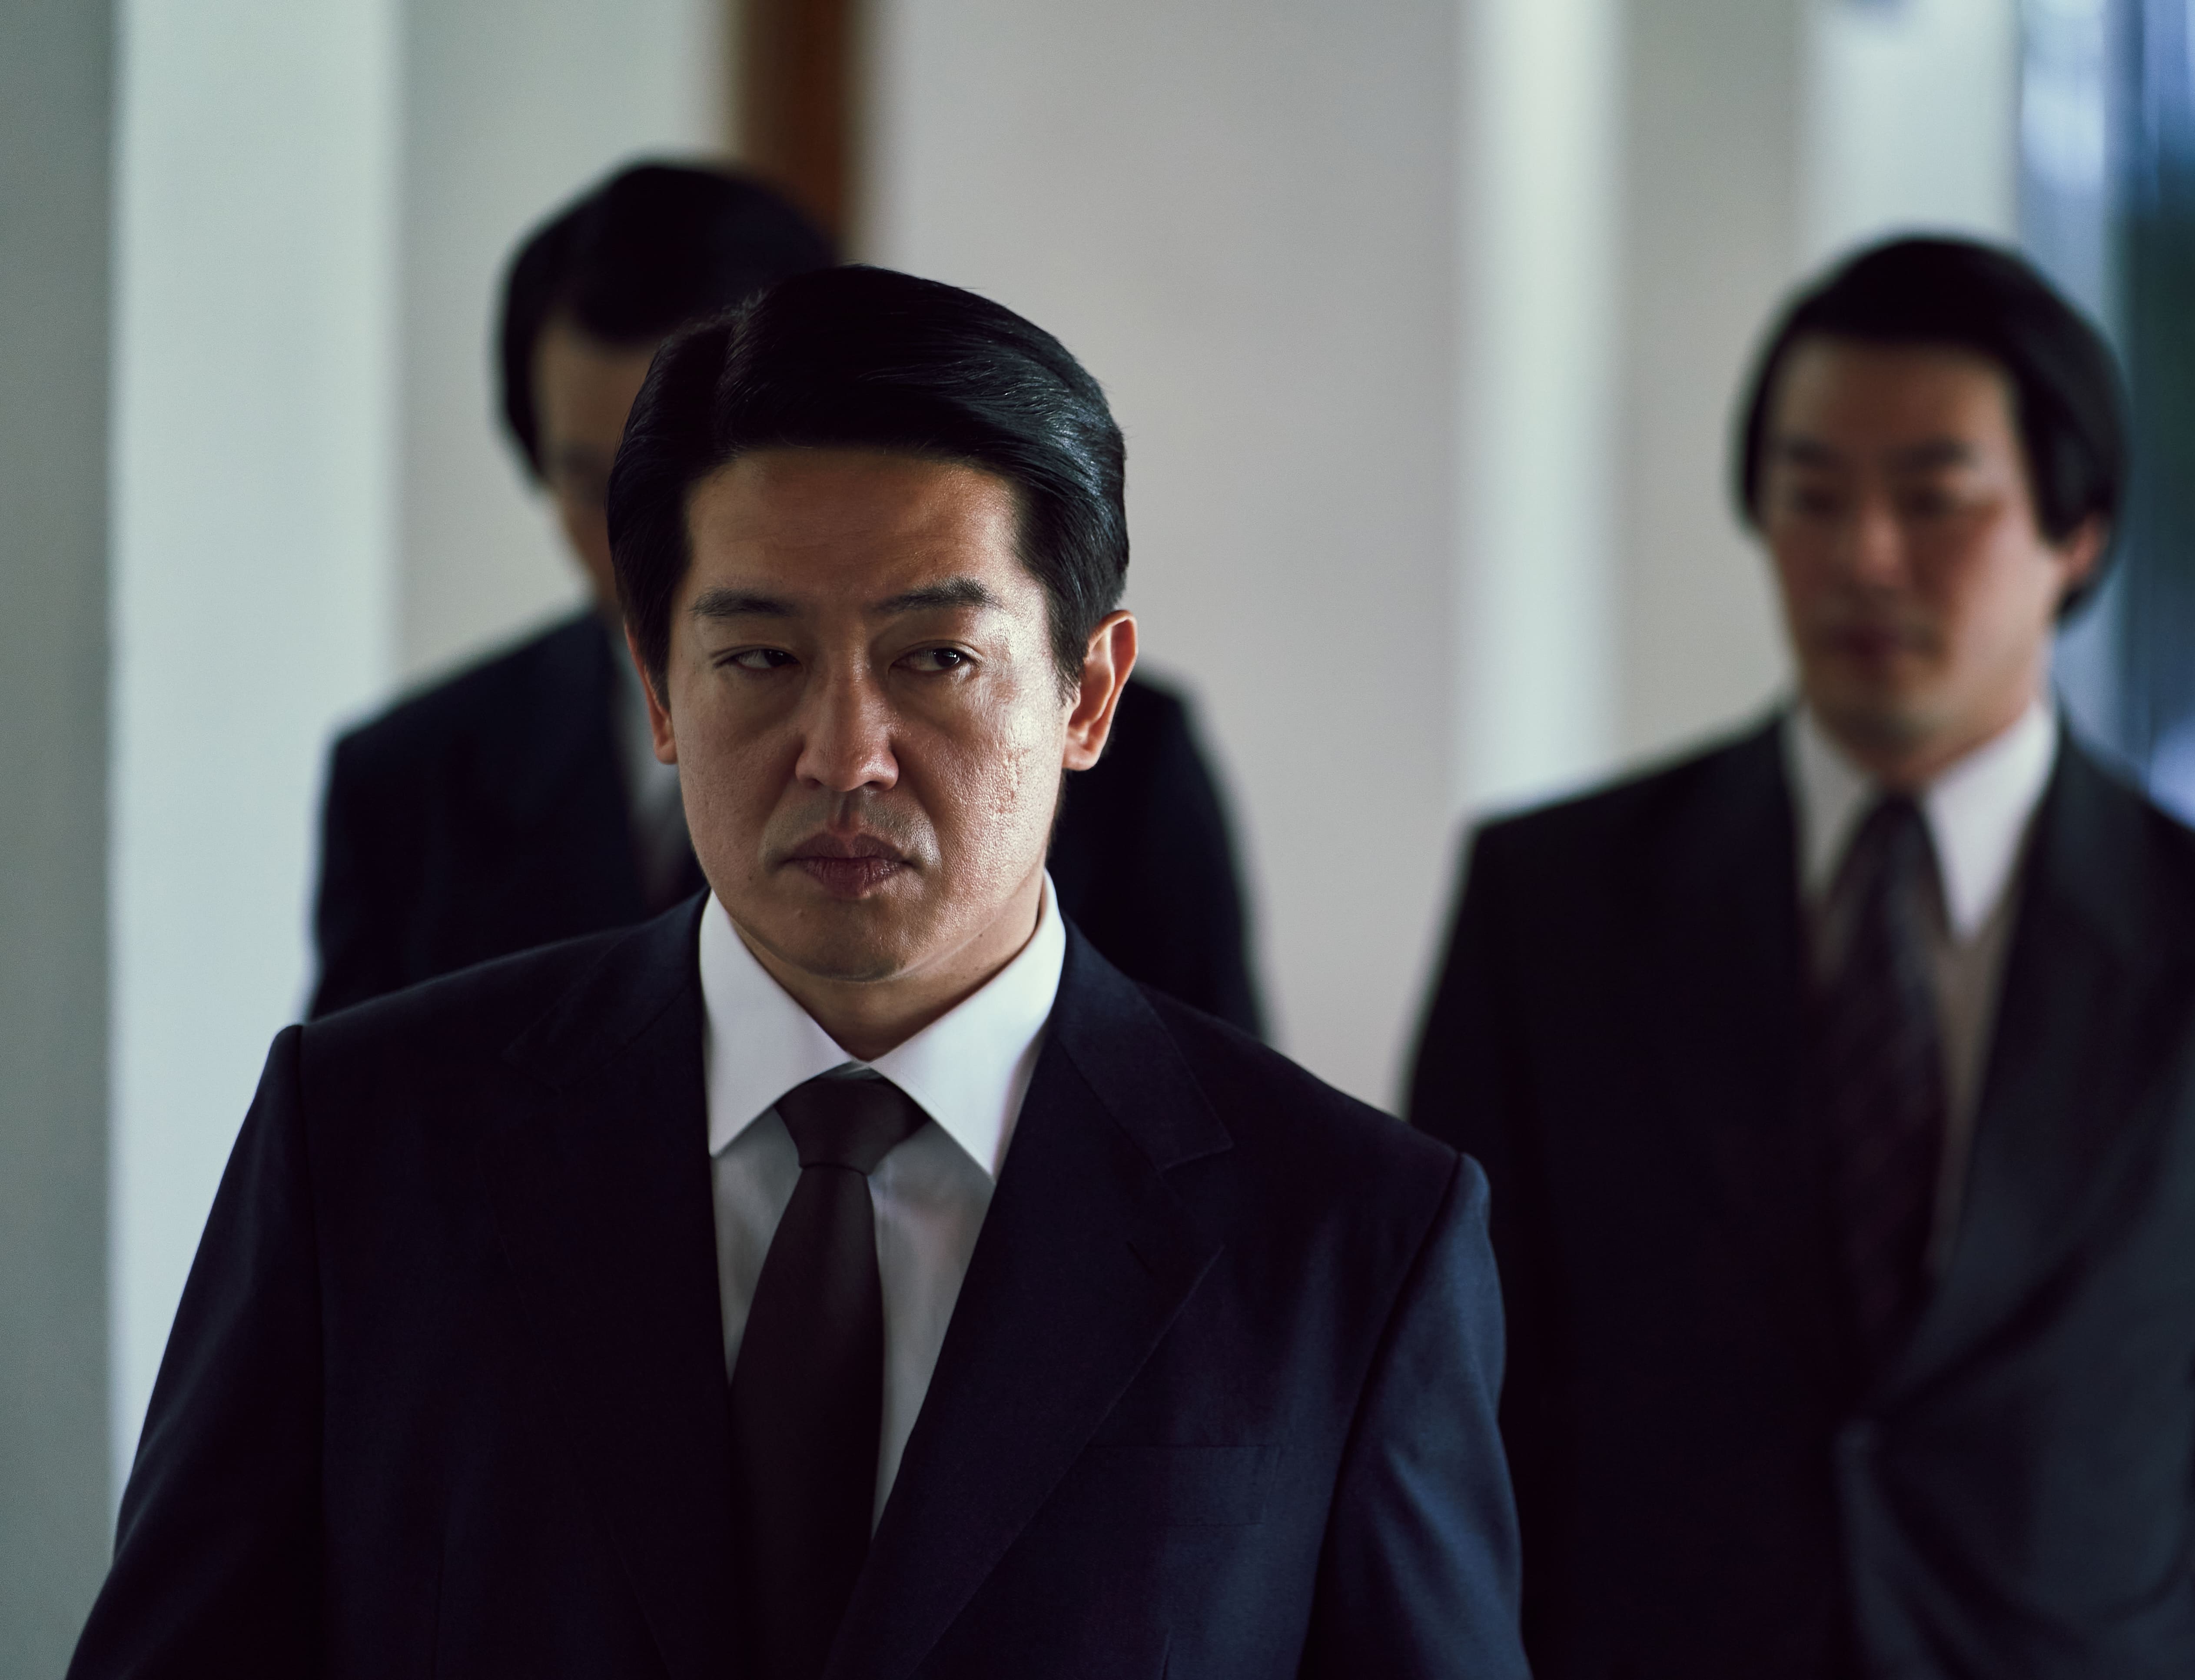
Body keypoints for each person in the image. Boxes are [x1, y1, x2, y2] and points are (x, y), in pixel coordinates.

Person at [73, 266, 1524, 1679]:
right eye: (761, 659)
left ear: (1088, 693)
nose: (844, 755)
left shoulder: (1348, 1237)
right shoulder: (367, 1145)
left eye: (936, 659)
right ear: (660, 687)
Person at [1410, 238, 2195, 1678]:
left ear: (2078, 532)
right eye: (1813, 495)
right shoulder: (1552, 904)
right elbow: (1452, 1410)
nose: (1864, 556)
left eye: (1935, 500)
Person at [312, 162, 1264, 1033]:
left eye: (936, 658)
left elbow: (1202, 1112)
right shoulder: (409, 778)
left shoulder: (1133, 759)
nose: (845, 757)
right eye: (594, 483)